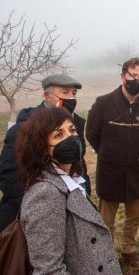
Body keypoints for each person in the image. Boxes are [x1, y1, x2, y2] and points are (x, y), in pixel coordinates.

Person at [15, 107, 122, 274]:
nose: (71, 138)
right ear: (42, 147)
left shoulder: (70, 179)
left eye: (72, 130)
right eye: (59, 135)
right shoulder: (45, 194)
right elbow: (49, 270)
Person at [86, 57, 139, 271]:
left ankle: (128, 250)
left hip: (136, 172)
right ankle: (105, 254)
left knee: (133, 217)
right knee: (106, 220)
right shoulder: (103, 103)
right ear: (123, 76)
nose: (136, 79)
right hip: (110, 171)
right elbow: (92, 134)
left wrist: (133, 152)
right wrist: (110, 152)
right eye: (133, 75)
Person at [0, 74, 90, 232]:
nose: (71, 98)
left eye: (74, 93)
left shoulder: (75, 124)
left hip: (69, 209)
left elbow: (78, 163)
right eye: (64, 93)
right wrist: (34, 209)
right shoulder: (24, 129)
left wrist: (84, 194)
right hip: (30, 219)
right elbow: (9, 176)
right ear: (48, 96)